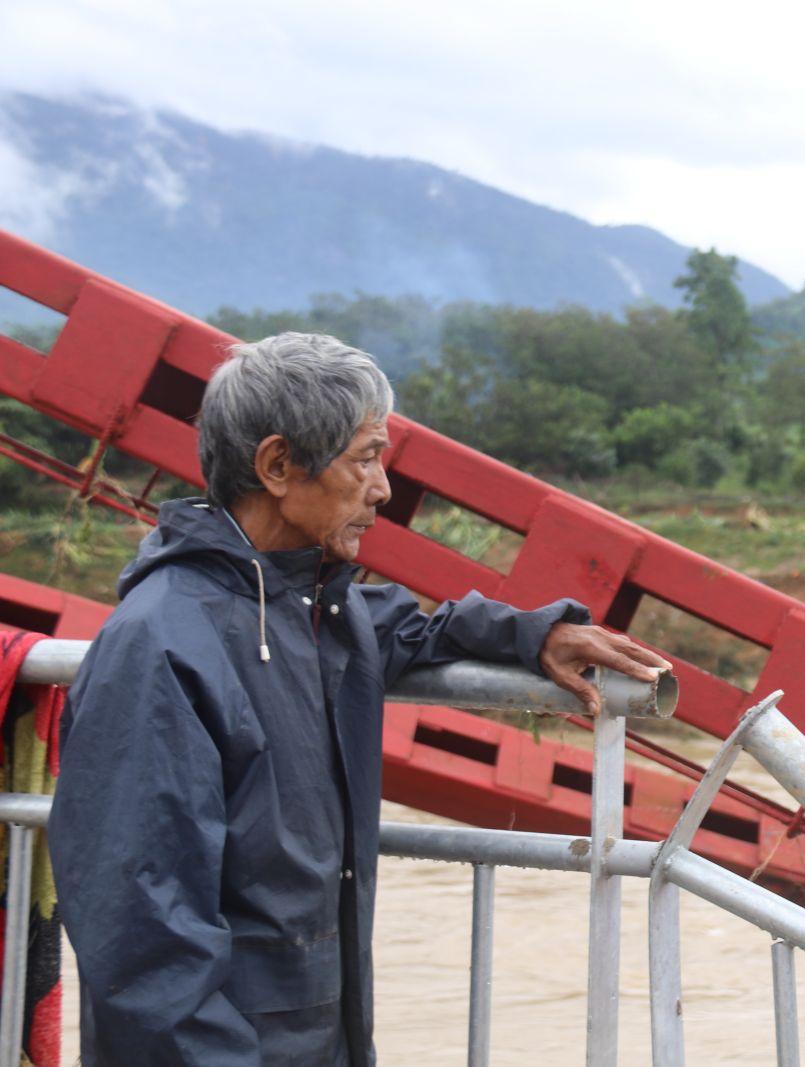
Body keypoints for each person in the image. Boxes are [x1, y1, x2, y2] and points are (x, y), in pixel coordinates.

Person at [47, 333, 670, 1065]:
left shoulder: (312, 610)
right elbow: (145, 947)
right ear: (278, 465)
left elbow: (413, 627)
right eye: (366, 457)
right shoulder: (161, 650)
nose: (382, 489)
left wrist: (534, 635)